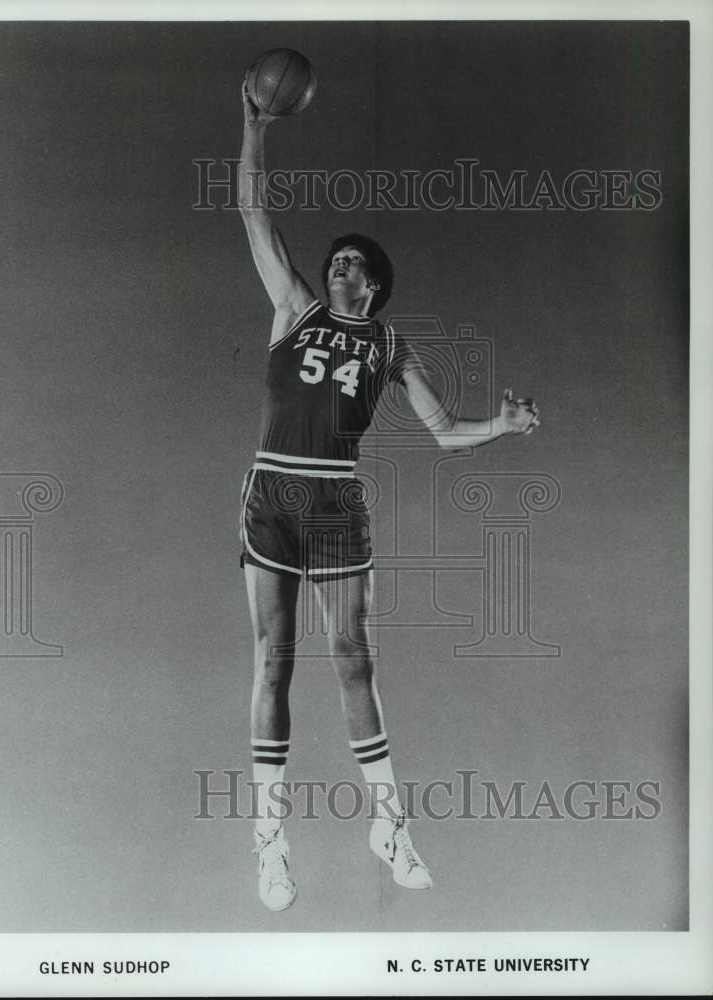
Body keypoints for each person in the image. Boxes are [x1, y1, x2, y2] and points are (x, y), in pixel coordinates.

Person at [237, 80, 540, 912]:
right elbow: (255, 215)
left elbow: (442, 433)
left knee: (355, 658)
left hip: (337, 503)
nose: (336, 266)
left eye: (351, 263)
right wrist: (254, 126)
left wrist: (504, 428)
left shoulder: (394, 345)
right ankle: (269, 835)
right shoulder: (293, 308)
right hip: (273, 491)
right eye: (332, 258)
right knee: (273, 661)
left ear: (373, 285)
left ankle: (389, 822)